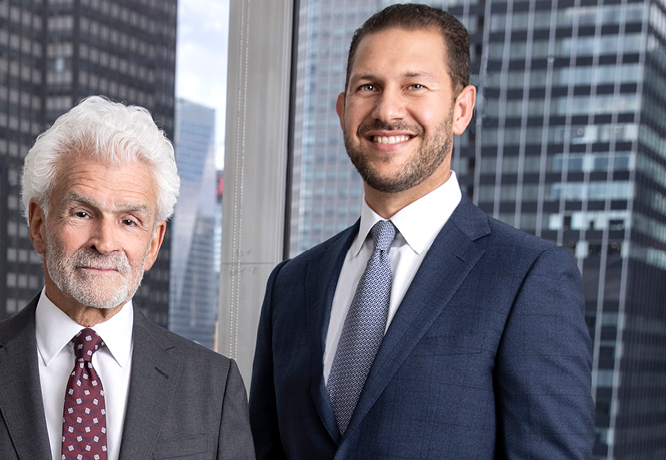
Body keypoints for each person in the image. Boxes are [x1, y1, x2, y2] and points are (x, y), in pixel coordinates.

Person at [249, 4, 594, 458]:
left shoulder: (529, 276)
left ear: (461, 109)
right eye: (368, 87)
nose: (388, 110)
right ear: (342, 109)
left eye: (415, 86)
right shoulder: (291, 285)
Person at [0, 96, 254, 459]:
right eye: (82, 213)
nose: (105, 242)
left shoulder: (214, 387)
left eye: (129, 221)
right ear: (38, 224)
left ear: (153, 243)